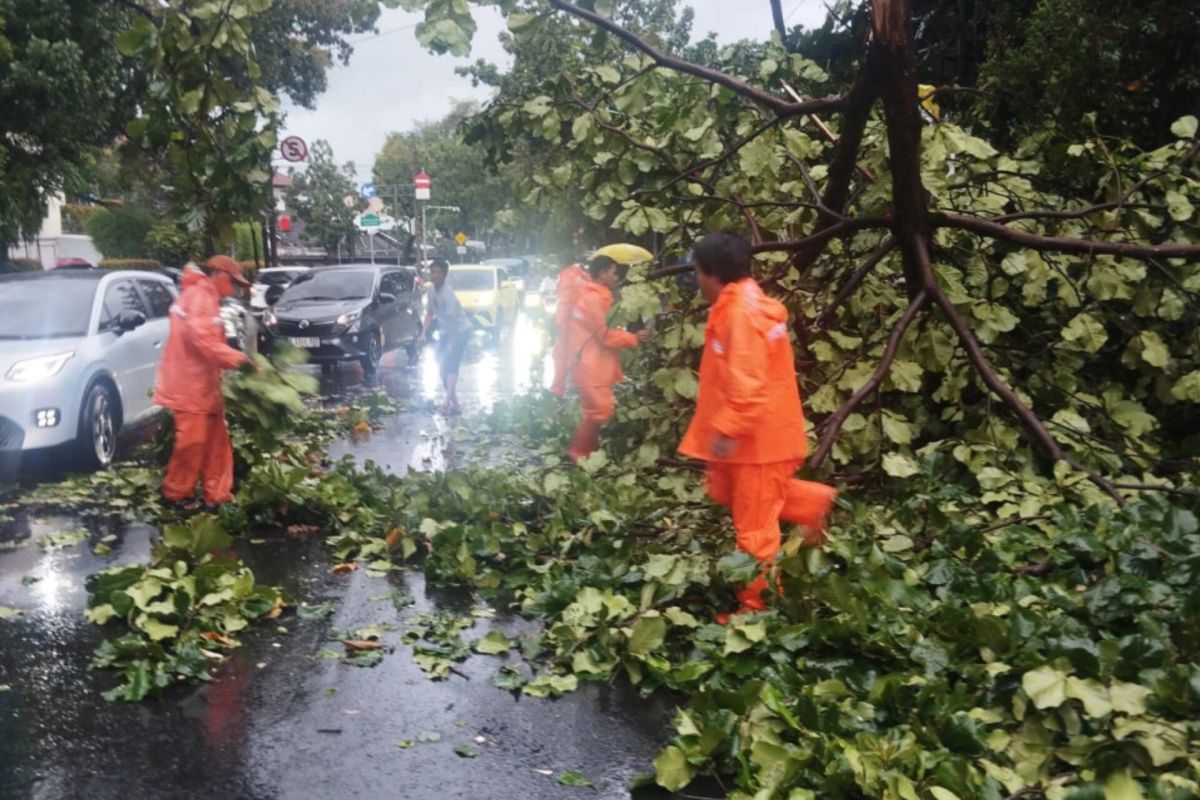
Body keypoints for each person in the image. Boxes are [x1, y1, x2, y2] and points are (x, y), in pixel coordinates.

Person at [677, 232, 837, 618]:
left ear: (713, 274)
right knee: (729, 493)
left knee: (754, 529)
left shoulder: (741, 314)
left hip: (757, 443)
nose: (696, 280)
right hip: (762, 437)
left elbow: (748, 388)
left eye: (698, 272)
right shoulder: (741, 302)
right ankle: (814, 504)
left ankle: (756, 610)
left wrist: (727, 431)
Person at [154, 255, 250, 508]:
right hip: (190, 385)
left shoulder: (204, 296)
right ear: (220, 275)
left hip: (202, 385)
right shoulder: (201, 297)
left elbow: (206, 341)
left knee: (216, 443)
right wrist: (241, 361)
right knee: (193, 443)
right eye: (234, 283)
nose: (235, 289)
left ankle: (217, 496)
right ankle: (175, 495)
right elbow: (203, 341)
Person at [565, 255, 650, 462]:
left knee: (597, 410)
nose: (616, 276)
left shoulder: (595, 295)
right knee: (600, 411)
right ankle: (579, 453)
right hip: (590, 365)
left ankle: (586, 453)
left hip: (590, 363)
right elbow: (603, 335)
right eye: (613, 272)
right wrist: (632, 337)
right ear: (602, 272)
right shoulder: (593, 298)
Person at [420, 259, 472, 414]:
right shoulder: (430, 291)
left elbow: (454, 321)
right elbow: (429, 313)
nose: (434, 275)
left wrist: (451, 343)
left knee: (451, 364)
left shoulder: (447, 293)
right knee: (442, 368)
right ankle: (455, 404)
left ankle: (446, 402)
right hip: (445, 331)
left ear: (444, 275)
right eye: (433, 272)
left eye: (438, 272)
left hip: (460, 330)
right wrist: (423, 333)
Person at [549, 261, 589, 397]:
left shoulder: (568, 275)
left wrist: (560, 323)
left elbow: (565, 302)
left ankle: (559, 392)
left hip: (569, 325)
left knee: (561, 356)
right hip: (581, 325)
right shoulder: (584, 277)